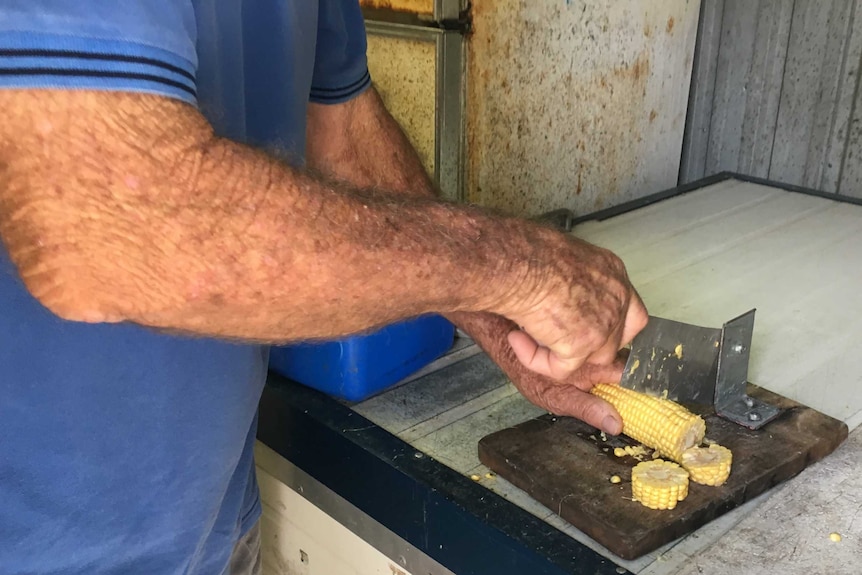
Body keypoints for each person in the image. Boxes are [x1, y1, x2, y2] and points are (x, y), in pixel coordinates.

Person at [0, 1, 647, 574]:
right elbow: (108, 231)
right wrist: (522, 267)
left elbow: (343, 134)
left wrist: (506, 325)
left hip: (212, 524)